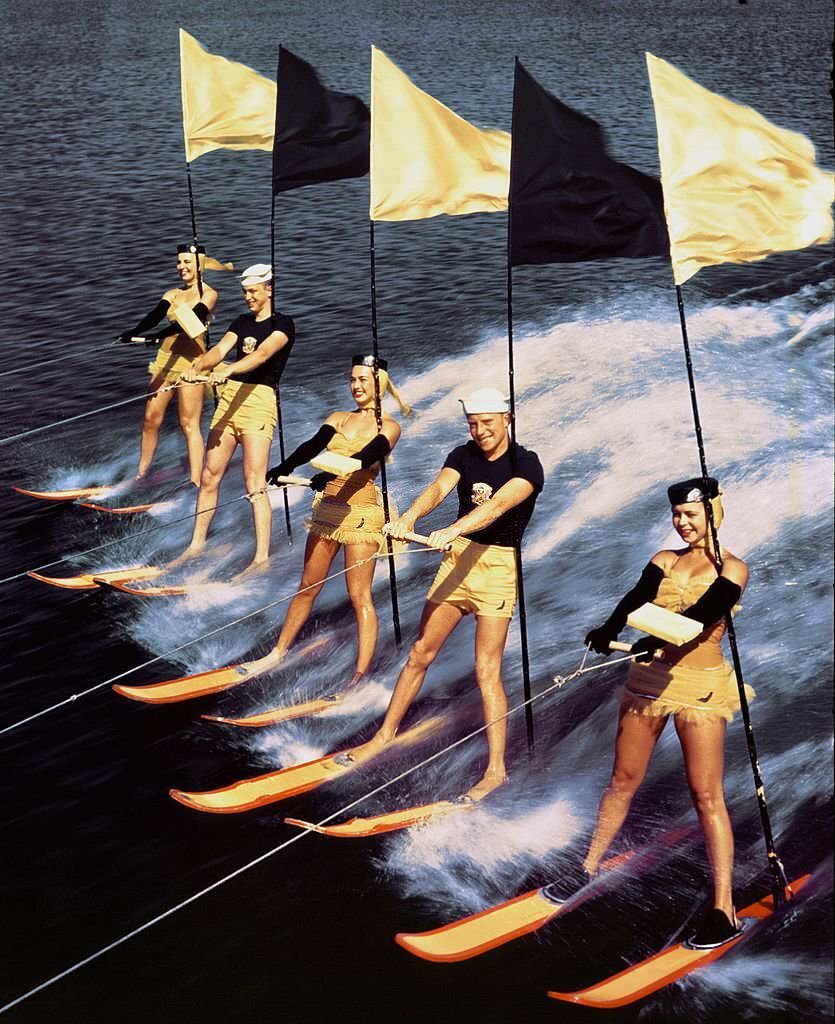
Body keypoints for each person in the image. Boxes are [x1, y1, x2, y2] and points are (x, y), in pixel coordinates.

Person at [554, 477, 751, 950]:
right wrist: (608, 628)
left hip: (700, 688)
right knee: (622, 778)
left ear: (714, 514)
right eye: (677, 516)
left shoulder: (735, 569)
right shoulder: (664, 560)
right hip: (646, 683)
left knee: (706, 795)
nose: (682, 524)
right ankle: (588, 867)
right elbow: (635, 599)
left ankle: (724, 908)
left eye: (692, 516)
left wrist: (656, 640)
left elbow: (703, 615)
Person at [343, 387, 544, 803]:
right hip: (457, 562)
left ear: (507, 419)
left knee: (486, 670)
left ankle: (495, 771)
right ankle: (384, 735)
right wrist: (410, 517)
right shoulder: (462, 453)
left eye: (488, 423)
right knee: (419, 652)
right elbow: (439, 488)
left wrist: (452, 529)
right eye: (473, 424)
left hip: (497, 571)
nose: (481, 431)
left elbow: (496, 507)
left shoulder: (527, 464)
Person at [239, 355, 402, 685]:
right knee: (306, 588)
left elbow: (363, 459)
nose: (355, 386)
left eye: (363, 380)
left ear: (378, 384)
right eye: (352, 380)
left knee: (360, 597)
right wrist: (283, 467)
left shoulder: (389, 427)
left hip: (360, 517)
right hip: (327, 512)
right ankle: (277, 653)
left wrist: (329, 472)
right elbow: (312, 445)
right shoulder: (339, 418)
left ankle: (359, 675)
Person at [172, 263, 294, 577]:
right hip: (229, 401)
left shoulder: (283, 325)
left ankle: (261, 558)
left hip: (258, 402)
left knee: (254, 483)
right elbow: (220, 349)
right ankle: (197, 543)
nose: (248, 298)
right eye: (245, 292)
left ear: (269, 289)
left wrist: (228, 369)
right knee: (210, 475)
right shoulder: (241, 321)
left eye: (253, 292)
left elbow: (263, 355)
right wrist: (199, 366)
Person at [119, 243, 219, 486]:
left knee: (188, 424)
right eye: (179, 262)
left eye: (187, 262)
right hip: (165, 362)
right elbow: (154, 316)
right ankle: (141, 474)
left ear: (199, 265)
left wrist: (158, 336)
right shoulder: (173, 293)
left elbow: (191, 319)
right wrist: (134, 332)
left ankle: (195, 481)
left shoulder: (209, 294)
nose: (181, 266)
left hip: (191, 365)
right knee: (151, 419)